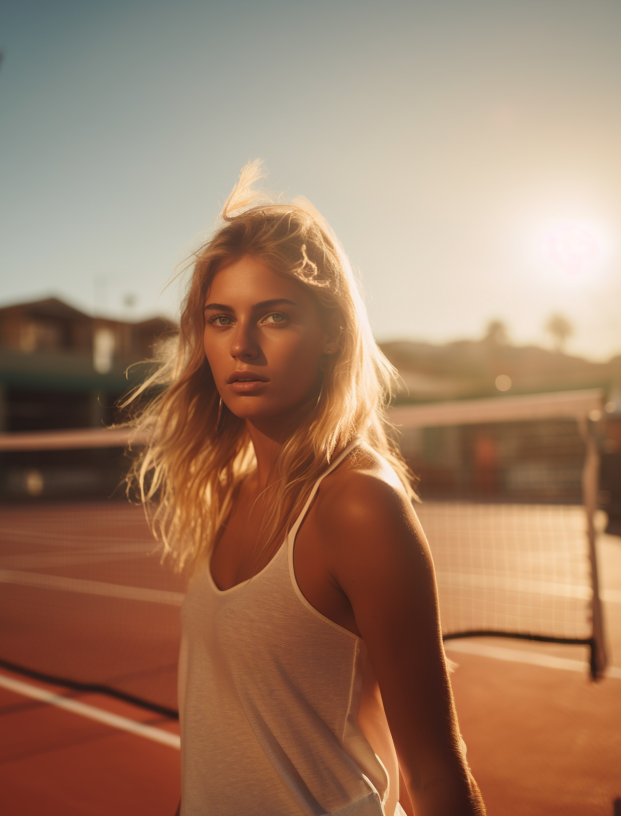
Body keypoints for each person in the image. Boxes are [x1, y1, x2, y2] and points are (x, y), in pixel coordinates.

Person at [126, 162, 486, 816]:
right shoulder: (226, 491)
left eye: (275, 317)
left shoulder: (357, 504)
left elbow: (435, 775)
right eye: (219, 318)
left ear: (332, 335)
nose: (242, 346)